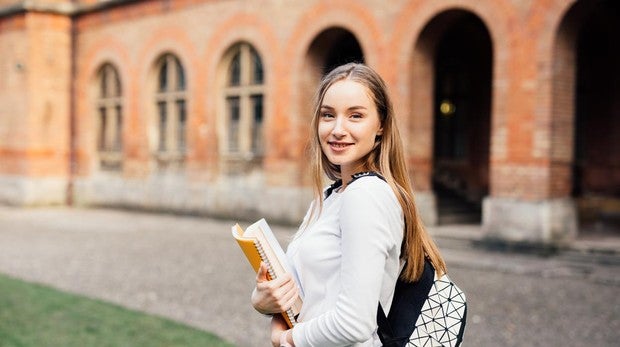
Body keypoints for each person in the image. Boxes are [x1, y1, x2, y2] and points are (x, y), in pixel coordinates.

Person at [251, 63, 447, 347]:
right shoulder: (330, 197)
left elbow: (354, 323)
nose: (337, 129)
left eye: (355, 116)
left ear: (380, 125)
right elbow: (303, 294)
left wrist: (286, 340)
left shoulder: (366, 195)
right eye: (328, 115)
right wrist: (263, 300)